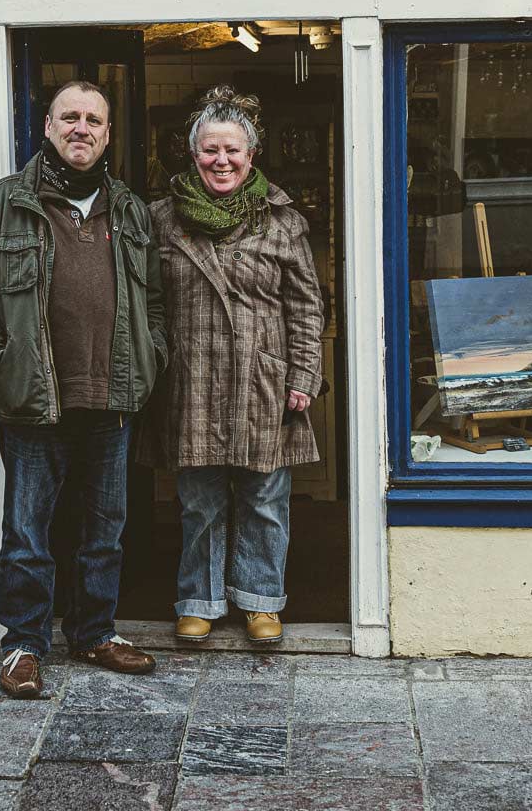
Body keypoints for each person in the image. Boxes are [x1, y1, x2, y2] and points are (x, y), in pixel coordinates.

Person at [0, 80, 166, 698]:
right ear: (47, 127)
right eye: (70, 117)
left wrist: (151, 357)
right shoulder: (2, 204)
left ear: (107, 133)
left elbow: (154, 301)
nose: (81, 128)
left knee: (105, 530)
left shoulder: (129, 210)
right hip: (32, 403)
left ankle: (94, 631)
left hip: (110, 400)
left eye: (94, 119)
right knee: (28, 530)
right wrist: (0, 362)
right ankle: (24, 643)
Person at [148, 85, 324, 645]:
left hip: (262, 378)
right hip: (192, 376)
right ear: (192, 153)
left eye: (232, 151)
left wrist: (302, 375)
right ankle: (199, 598)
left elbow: (305, 304)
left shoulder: (281, 220)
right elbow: (144, 303)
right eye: (209, 151)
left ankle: (261, 601)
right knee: (199, 500)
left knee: (265, 498)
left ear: (252, 155)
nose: (221, 161)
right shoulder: (161, 220)